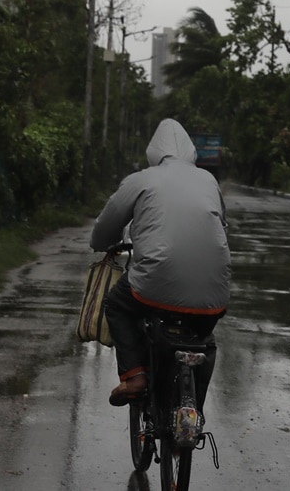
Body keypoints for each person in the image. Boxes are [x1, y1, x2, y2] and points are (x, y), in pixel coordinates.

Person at [91, 118, 231, 406]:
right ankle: (192, 407)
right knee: (205, 340)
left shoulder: (141, 179)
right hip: (214, 295)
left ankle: (135, 376)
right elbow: (222, 227)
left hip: (152, 285)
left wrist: (102, 244)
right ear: (191, 152)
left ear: (154, 152)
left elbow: (108, 224)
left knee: (117, 305)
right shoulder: (208, 180)